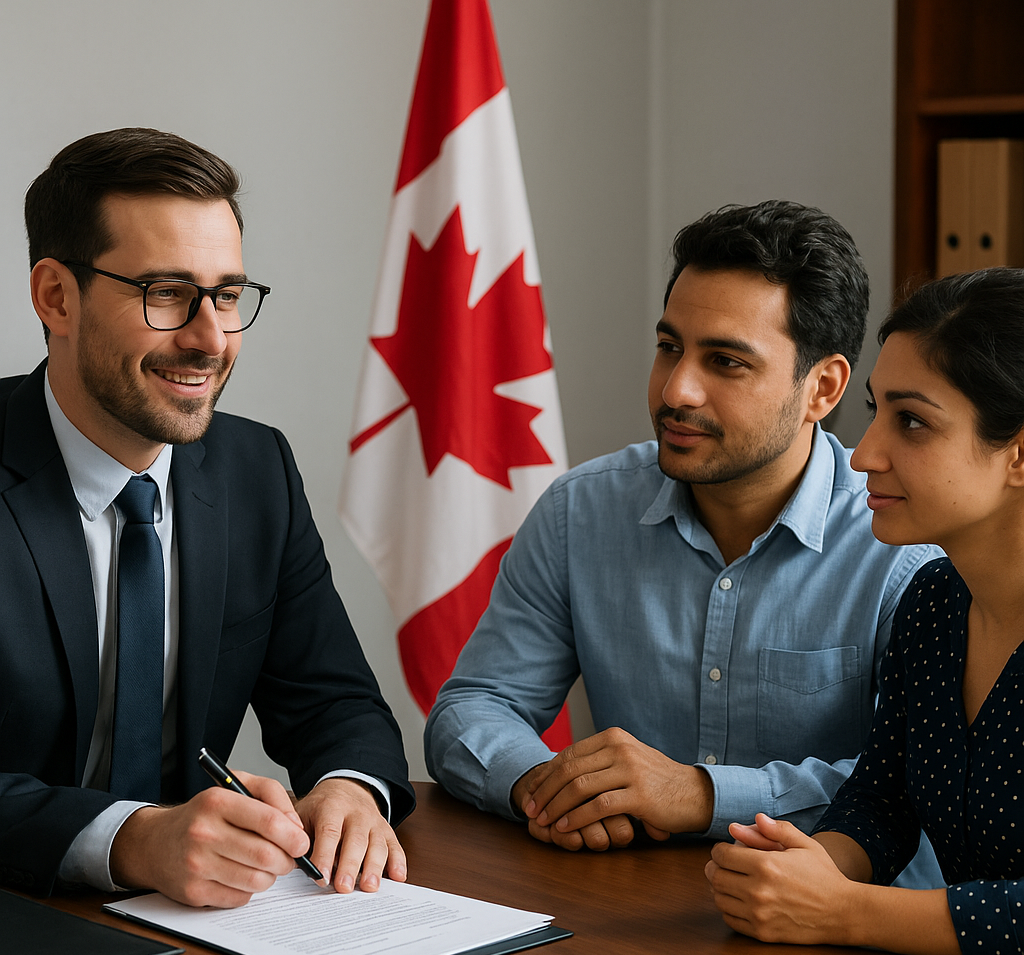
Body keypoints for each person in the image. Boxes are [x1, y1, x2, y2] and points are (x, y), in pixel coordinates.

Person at [424, 200, 940, 878]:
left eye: (725, 362)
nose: (676, 390)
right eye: (670, 348)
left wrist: (699, 796)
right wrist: (543, 789)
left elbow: (910, 791)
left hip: (835, 935)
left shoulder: (905, 547)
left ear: (822, 388)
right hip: (623, 914)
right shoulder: (581, 512)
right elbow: (475, 706)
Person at [0, 128, 415, 907]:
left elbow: (335, 701)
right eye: (165, 293)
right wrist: (127, 839)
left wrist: (350, 790)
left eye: (227, 295)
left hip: (195, 930)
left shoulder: (257, 470)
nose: (211, 338)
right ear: (56, 296)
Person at [705, 267, 1024, 955]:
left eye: (911, 421)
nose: (865, 452)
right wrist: (795, 869)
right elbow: (879, 804)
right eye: (876, 411)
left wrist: (842, 910)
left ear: (1019, 454)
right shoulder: (936, 600)